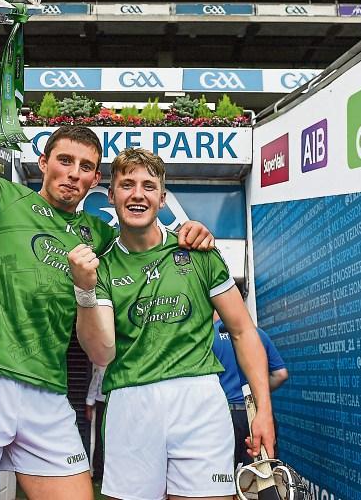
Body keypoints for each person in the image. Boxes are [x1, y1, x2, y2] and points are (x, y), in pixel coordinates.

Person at [0, 17, 214, 500]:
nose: (73, 174)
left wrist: (189, 233)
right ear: (44, 162)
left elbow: (147, 241)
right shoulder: (1, 200)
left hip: (49, 394)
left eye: (86, 168)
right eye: (65, 161)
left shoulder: (98, 234)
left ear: (96, 181)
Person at [69, 147, 275, 500]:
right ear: (112, 195)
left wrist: (264, 411)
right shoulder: (99, 266)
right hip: (130, 403)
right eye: (127, 185)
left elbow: (243, 331)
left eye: (148, 186)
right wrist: (84, 290)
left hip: (199, 401)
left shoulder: (198, 251)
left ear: (162, 198)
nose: (137, 194)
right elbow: (100, 352)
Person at [212, 313, 288, 468]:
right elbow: (281, 374)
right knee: (261, 476)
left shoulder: (208, 337)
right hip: (257, 414)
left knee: (223, 479)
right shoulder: (257, 334)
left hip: (224, 416)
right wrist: (257, 393)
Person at [85, 363, 106, 482]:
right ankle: (98, 473)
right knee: (100, 440)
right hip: (102, 405)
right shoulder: (102, 366)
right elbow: (93, 387)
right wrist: (88, 407)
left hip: (118, 405)